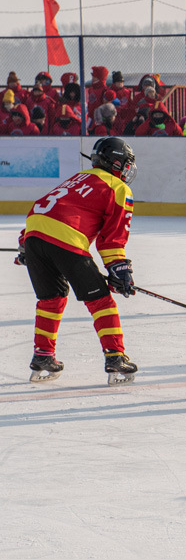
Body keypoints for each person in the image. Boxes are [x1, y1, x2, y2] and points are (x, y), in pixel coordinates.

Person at [15, 137, 139, 384]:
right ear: (115, 163)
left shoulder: (79, 177)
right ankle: (115, 357)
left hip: (34, 235)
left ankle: (43, 357)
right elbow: (111, 239)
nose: (127, 169)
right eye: (125, 163)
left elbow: (45, 207)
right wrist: (119, 269)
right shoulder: (118, 188)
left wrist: (25, 245)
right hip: (66, 238)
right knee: (100, 300)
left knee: (51, 299)